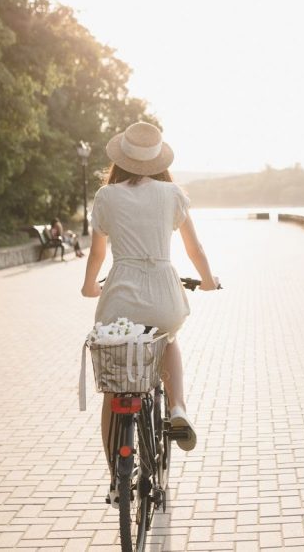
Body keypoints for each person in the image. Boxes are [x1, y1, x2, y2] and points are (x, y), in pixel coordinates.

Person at [80, 121, 218, 468]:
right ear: (158, 162)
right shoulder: (173, 195)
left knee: (115, 386)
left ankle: (117, 477)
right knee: (168, 339)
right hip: (163, 294)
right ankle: (177, 409)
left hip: (120, 298)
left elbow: (97, 255)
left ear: (121, 158)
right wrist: (207, 280)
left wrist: (89, 286)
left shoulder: (106, 196)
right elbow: (194, 248)